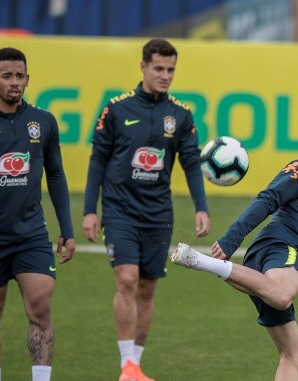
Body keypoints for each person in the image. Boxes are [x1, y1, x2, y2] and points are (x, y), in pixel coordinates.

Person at [171, 113, 298, 381]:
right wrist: (231, 239)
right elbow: (268, 198)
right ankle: (201, 261)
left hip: (272, 265)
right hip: (281, 249)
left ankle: (210, 265)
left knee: (293, 353)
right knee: (282, 295)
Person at [82, 38, 210, 381]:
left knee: (147, 289)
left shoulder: (180, 115)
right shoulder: (116, 109)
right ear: (143, 67)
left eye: (170, 70)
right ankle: (127, 365)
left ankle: (134, 366)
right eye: (159, 69)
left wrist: (201, 206)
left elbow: (192, 163)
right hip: (120, 210)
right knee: (127, 279)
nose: (165, 75)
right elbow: (97, 161)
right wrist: (89, 210)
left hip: (158, 213)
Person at [0, 47, 75, 381]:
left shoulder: (44, 122)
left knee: (40, 307)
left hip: (31, 235)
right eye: (7, 76)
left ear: (28, 78)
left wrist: (67, 228)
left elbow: (57, 176)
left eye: (20, 76)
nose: (14, 82)